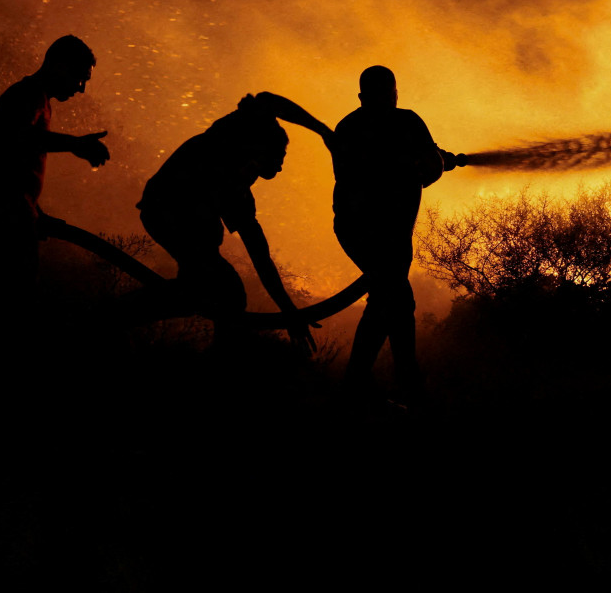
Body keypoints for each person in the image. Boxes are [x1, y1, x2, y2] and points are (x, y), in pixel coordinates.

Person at [131, 92, 330, 353]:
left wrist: (289, 311)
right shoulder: (226, 150)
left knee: (201, 294)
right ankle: (224, 360)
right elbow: (265, 100)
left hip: (168, 214)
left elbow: (259, 253)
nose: (281, 167)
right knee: (227, 292)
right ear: (260, 151)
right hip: (165, 212)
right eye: (280, 156)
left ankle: (111, 316)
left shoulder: (235, 179)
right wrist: (323, 130)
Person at [331, 65, 459, 407]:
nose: (388, 100)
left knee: (390, 301)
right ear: (365, 97)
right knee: (396, 300)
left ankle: (364, 387)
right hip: (372, 231)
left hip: (376, 229)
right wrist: (430, 163)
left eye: (389, 94)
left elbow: (427, 164)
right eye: (384, 95)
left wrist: (434, 160)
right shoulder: (404, 122)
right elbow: (425, 169)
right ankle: (402, 386)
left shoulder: (348, 128)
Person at [0, 34, 110, 289]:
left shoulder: (37, 99)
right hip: (1, 219)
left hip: (8, 213)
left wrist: (36, 213)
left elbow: (12, 166)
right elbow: (23, 138)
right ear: (60, 66)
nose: (81, 88)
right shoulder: (28, 96)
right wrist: (75, 144)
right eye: (80, 78)